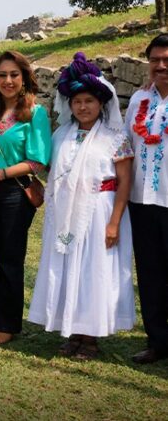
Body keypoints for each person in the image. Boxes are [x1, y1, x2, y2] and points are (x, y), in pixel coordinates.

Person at [28, 52, 135, 360]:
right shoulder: (62, 134)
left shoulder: (115, 137)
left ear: (100, 102)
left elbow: (124, 180)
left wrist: (114, 221)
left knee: (93, 269)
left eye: (88, 100)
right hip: (65, 213)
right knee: (66, 266)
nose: (83, 107)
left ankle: (90, 337)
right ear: (69, 105)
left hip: (100, 209)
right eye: (77, 102)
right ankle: (71, 330)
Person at [0, 50, 51, 345]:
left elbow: (38, 160)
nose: (8, 80)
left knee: (9, 259)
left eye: (14, 75)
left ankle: (6, 324)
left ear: (24, 78)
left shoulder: (35, 112)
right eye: (2, 75)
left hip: (13, 192)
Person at [125, 33, 168, 364]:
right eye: (155, 59)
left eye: (166, 59)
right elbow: (125, 147)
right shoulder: (139, 100)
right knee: (150, 274)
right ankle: (157, 342)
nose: (161, 66)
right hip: (142, 202)